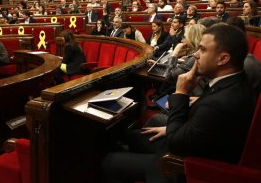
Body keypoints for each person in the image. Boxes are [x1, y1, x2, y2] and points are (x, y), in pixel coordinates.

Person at [102, 24, 256, 183]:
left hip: (184, 163)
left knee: (110, 160)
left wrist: (181, 93)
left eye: (202, 50)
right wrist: (170, 127)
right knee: (133, 136)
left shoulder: (220, 103)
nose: (195, 54)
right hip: (195, 139)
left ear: (223, 59)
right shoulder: (236, 81)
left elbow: (176, 144)